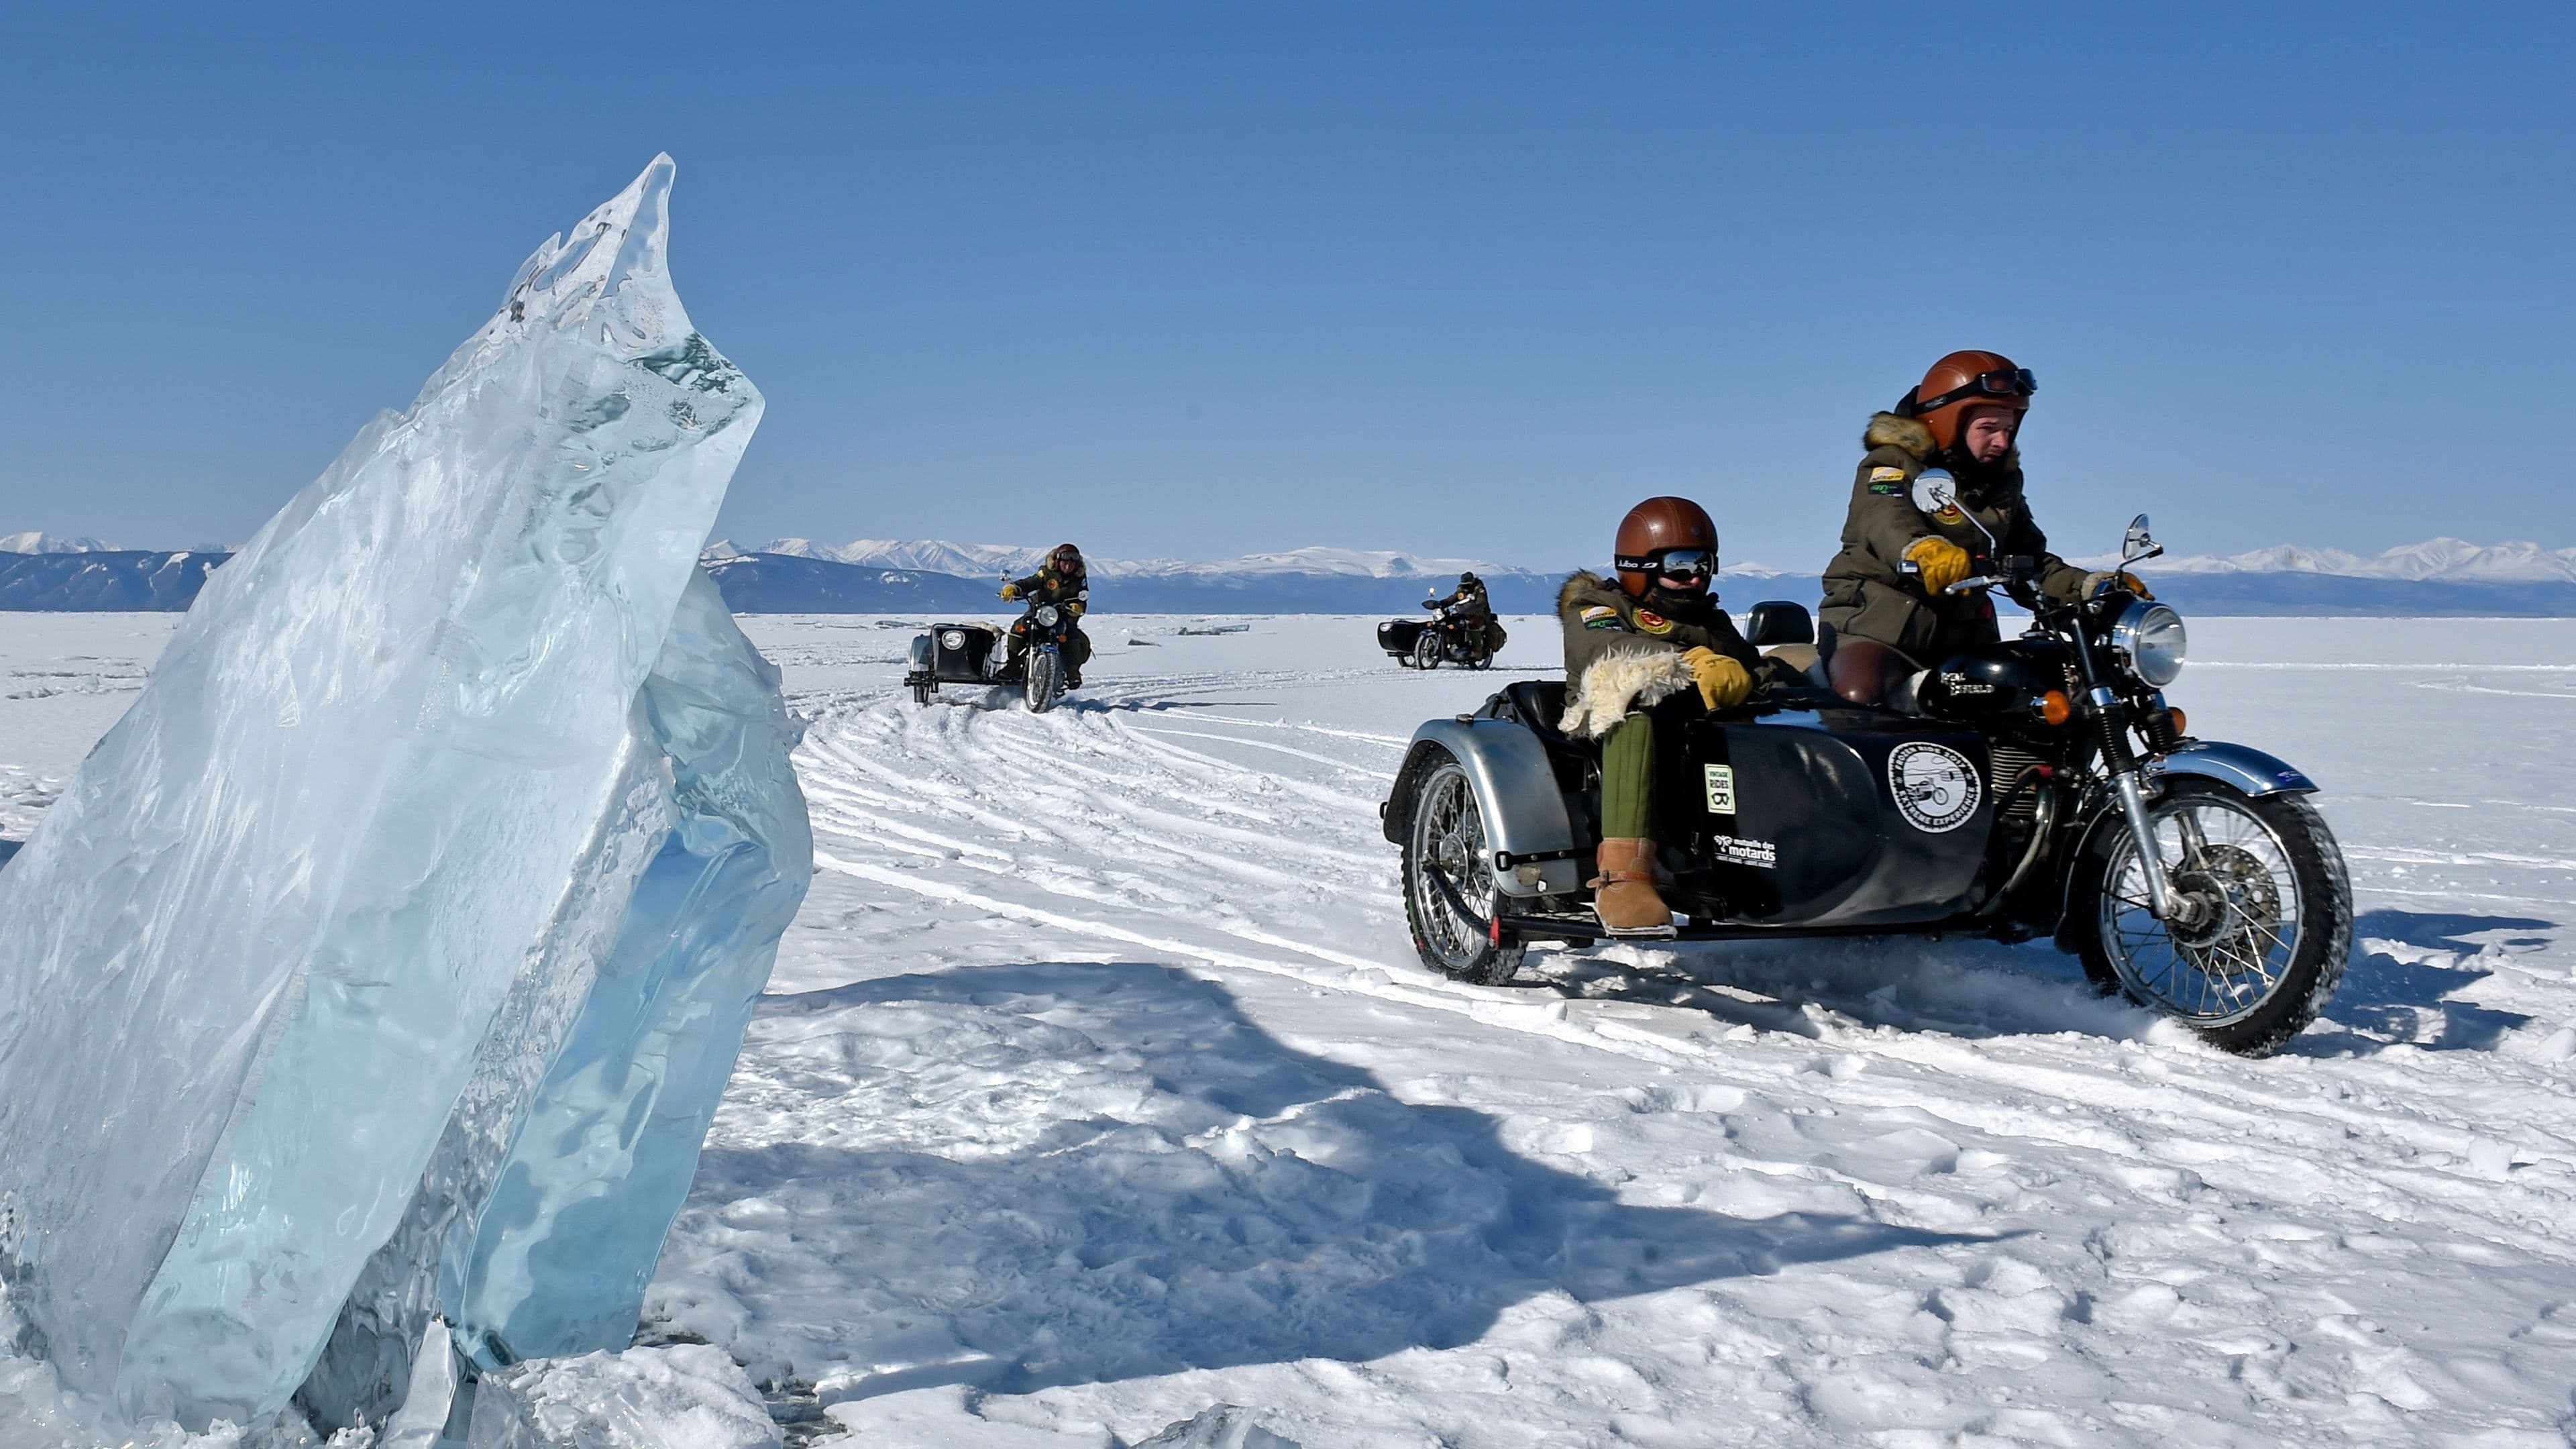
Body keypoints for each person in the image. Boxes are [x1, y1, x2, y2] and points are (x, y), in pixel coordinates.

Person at [1819, 350, 2149, 707]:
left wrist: (2091, 587)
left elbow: (2028, 559)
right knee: (1861, 698)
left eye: (2008, 430)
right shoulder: (1891, 464)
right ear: (1947, 422)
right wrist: (1923, 550)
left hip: (1963, 640)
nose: (2002, 442)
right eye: (1988, 429)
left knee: (2033, 701)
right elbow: (1884, 520)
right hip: (1879, 631)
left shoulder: (2000, 485)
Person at [1556, 497, 1769, 936]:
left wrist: (1792, 676)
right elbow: (1604, 650)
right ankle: (1622, 878)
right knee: (1637, 704)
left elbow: (1753, 669)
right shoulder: (1598, 608)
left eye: (1704, 564)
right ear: (1640, 566)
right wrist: (1692, 662)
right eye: (1679, 565)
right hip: (1605, 738)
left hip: (1690, 737)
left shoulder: (1712, 621)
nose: (1695, 576)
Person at [1001, 543, 1093, 687]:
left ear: (1077, 564)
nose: (1068, 566)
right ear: (1057, 561)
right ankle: (1013, 665)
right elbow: (1032, 582)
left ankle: (1073, 671)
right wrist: (1015, 587)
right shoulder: (1046, 572)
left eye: (1072, 563)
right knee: (1019, 627)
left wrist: (1078, 606)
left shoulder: (1079, 578)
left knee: (1071, 634)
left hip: (1063, 614)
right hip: (1039, 611)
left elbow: (1083, 597)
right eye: (1064, 562)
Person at [1424, 570, 1507, 655]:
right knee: (1449, 621)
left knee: (1473, 624)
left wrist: (1475, 606)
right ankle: (1451, 643)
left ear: (1472, 583)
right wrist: (1441, 603)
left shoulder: (1479, 590)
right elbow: (1452, 599)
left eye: (1467, 585)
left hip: (1480, 614)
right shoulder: (1461, 590)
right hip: (1464, 612)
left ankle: (1476, 650)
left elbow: (1482, 602)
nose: (1466, 587)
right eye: (1464, 585)